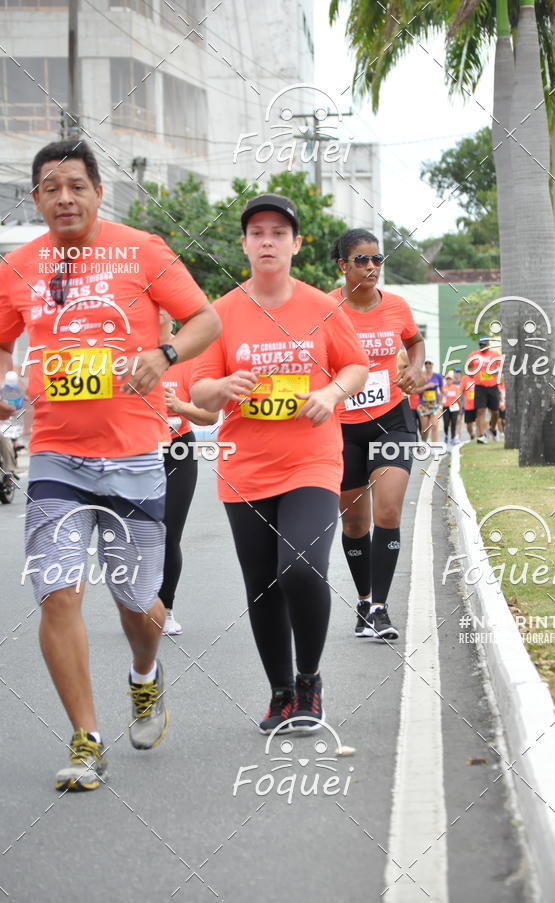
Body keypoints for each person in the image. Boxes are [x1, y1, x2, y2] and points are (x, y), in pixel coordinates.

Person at [0, 139, 220, 791]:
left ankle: (144, 678)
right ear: (36, 197)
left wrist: (166, 352)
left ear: (99, 191)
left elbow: (203, 317)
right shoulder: (19, 267)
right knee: (58, 591)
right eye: (49, 187)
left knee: (136, 602)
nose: (63, 197)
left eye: (75, 185)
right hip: (56, 459)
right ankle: (86, 737)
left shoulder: (142, 250)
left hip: (133, 456)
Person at [190, 194, 368, 734]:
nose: (267, 241)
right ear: (244, 245)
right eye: (257, 232)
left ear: (295, 244)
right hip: (245, 467)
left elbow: (356, 365)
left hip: (311, 460)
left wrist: (332, 394)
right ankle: (280, 693)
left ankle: (309, 679)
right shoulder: (221, 312)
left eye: (278, 232)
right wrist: (220, 386)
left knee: (302, 567)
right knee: (263, 583)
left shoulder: (322, 307)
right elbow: (198, 389)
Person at [330, 229, 425, 640]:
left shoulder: (397, 306)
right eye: (362, 260)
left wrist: (416, 367)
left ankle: (382, 609)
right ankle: (365, 600)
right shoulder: (324, 308)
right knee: (354, 523)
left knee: (388, 512)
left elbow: (415, 341)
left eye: (377, 259)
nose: (372, 267)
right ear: (343, 266)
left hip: (391, 420)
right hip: (342, 426)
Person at [158, 308, 218, 635]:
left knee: (168, 533)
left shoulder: (187, 358)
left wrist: (178, 406)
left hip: (177, 450)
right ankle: (138, 603)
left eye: (160, 313)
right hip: (134, 453)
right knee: (134, 535)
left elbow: (209, 416)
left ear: (172, 320)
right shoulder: (126, 356)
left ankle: (165, 608)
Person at [465, 337, 502, 443]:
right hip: (480, 387)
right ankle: (481, 436)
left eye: (484, 345)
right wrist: (471, 373)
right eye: (481, 345)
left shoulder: (495, 355)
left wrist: (495, 371)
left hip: (493, 386)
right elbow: (468, 368)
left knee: (495, 412)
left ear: (489, 345)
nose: (482, 347)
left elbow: (501, 368)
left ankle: (493, 429)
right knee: (480, 411)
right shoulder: (473, 355)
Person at [417, 359, 443, 442]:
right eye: (426, 363)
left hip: (435, 404)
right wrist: (426, 386)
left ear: (432, 364)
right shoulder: (421, 377)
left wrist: (441, 402)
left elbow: (442, 390)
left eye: (430, 363)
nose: (428, 365)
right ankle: (424, 443)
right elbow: (417, 391)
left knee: (434, 425)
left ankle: (435, 447)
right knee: (425, 429)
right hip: (423, 405)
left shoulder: (438, 376)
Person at [441, 373, 460, 444]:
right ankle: (446, 435)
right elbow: (441, 398)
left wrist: (460, 407)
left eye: (450, 379)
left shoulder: (455, 388)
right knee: (446, 422)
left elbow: (458, 398)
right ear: (446, 380)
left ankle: (453, 437)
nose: (448, 381)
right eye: (447, 379)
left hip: (454, 407)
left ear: (452, 380)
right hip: (446, 407)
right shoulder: (443, 387)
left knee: (453, 422)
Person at [459, 371, 477, 440]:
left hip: (478, 405)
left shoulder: (478, 377)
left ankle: (478, 437)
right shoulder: (465, 379)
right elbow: (460, 392)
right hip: (468, 406)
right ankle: (472, 435)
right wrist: (460, 405)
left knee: (479, 421)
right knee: (469, 425)